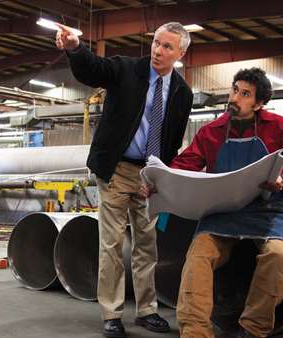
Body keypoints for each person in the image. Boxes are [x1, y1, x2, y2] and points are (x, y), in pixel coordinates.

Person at [56, 22, 194, 338]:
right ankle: (112, 313)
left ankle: (147, 311)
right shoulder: (126, 69)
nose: (158, 51)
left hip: (150, 175)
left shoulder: (182, 93)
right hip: (117, 169)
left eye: (167, 47)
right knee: (112, 243)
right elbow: (92, 70)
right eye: (156, 43)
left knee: (148, 245)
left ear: (181, 53)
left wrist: (161, 176)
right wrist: (75, 48)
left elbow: (173, 139)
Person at [168, 67, 283, 338]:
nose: (235, 97)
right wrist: (161, 179)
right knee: (198, 257)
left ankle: (252, 329)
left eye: (245, 94)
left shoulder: (279, 127)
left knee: (279, 256)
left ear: (259, 103)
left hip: (267, 210)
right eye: (235, 90)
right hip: (222, 211)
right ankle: (195, 332)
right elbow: (184, 165)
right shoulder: (212, 131)